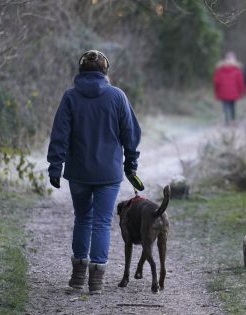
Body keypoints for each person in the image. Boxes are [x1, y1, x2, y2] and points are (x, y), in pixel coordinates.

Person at [47, 50, 142, 294]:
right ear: (105, 71)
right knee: (101, 222)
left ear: (81, 71)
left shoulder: (70, 97)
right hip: (108, 174)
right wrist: (131, 164)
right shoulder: (117, 96)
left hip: (78, 172)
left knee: (82, 219)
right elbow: (130, 135)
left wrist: (56, 166)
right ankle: (96, 282)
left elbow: (60, 135)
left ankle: (77, 279)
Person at [213, 51, 246, 125]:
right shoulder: (237, 70)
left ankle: (227, 121)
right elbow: (240, 83)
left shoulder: (219, 70)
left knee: (226, 107)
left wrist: (217, 91)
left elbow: (216, 82)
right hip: (234, 93)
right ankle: (233, 121)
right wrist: (242, 92)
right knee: (232, 107)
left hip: (223, 92)